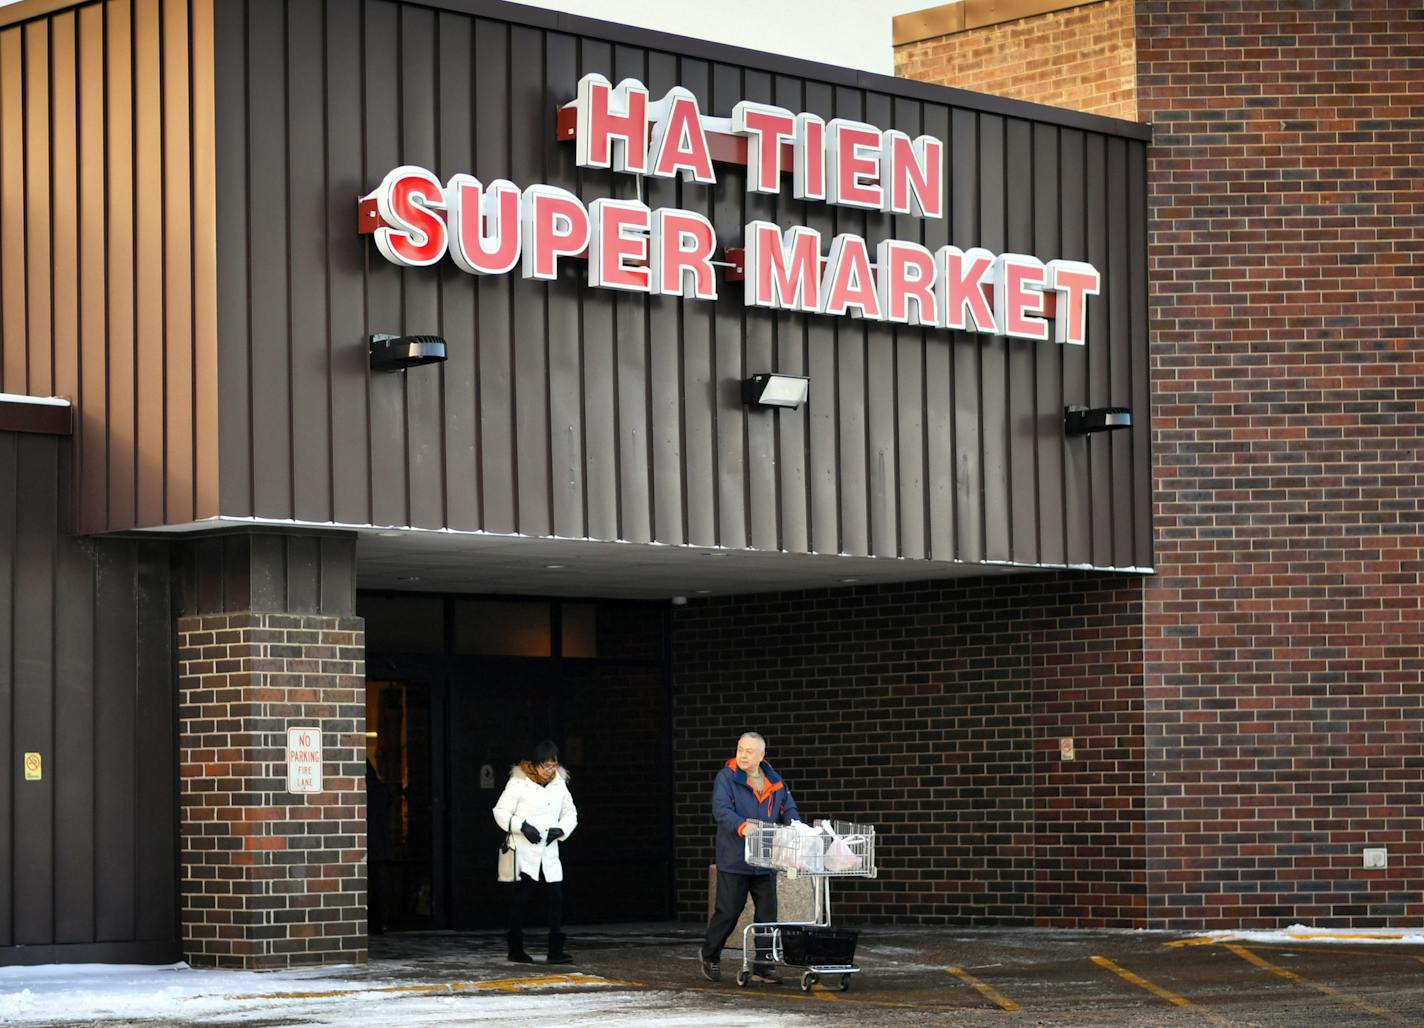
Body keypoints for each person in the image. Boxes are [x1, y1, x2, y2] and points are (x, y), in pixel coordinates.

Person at [700, 732, 800, 984]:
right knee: (729, 911)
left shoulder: (775, 782)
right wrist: (742, 826)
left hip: (765, 860)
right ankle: (710, 954)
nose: (743, 755)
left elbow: (788, 809)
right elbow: (721, 809)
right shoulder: (727, 777)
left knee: (768, 914)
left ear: (761, 756)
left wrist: (797, 829)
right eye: (740, 749)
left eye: (749, 751)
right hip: (735, 858)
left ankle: (763, 964)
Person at [492, 739, 578, 964]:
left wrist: (561, 830)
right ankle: (515, 948)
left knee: (556, 899)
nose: (549, 770)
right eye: (545, 765)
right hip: (524, 852)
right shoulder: (518, 782)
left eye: (553, 765)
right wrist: (522, 827)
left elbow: (570, 812)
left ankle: (555, 950)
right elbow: (500, 812)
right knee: (520, 900)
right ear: (535, 763)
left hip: (548, 852)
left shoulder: (559, 783)